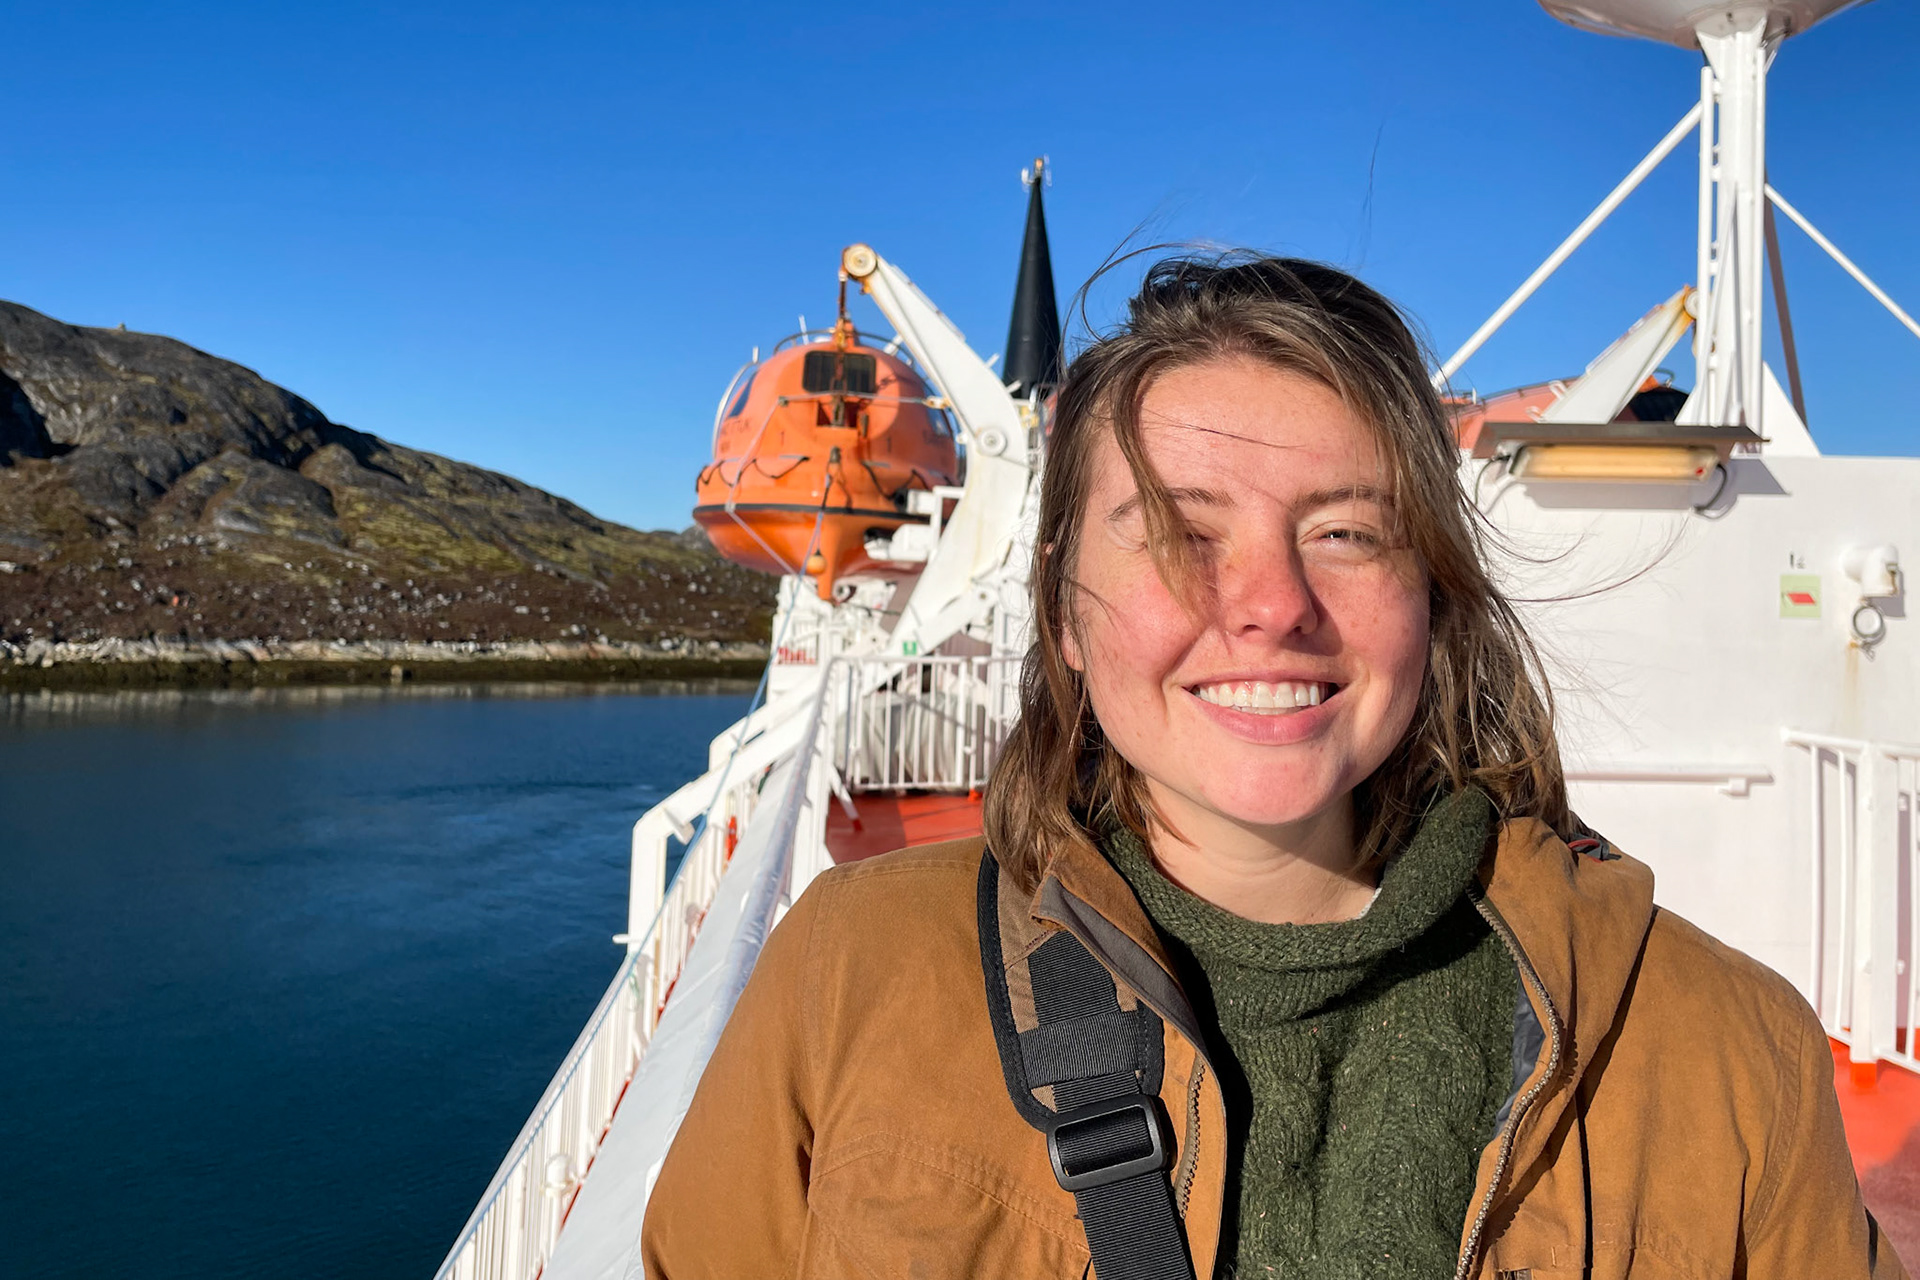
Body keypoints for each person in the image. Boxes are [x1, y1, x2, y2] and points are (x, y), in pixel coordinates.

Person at [641, 255, 1903, 1279]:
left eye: (1347, 531)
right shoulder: (845, 975)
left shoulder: (1732, 1055)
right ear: (1068, 616)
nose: (1270, 606)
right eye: (1182, 532)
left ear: (1432, 602)